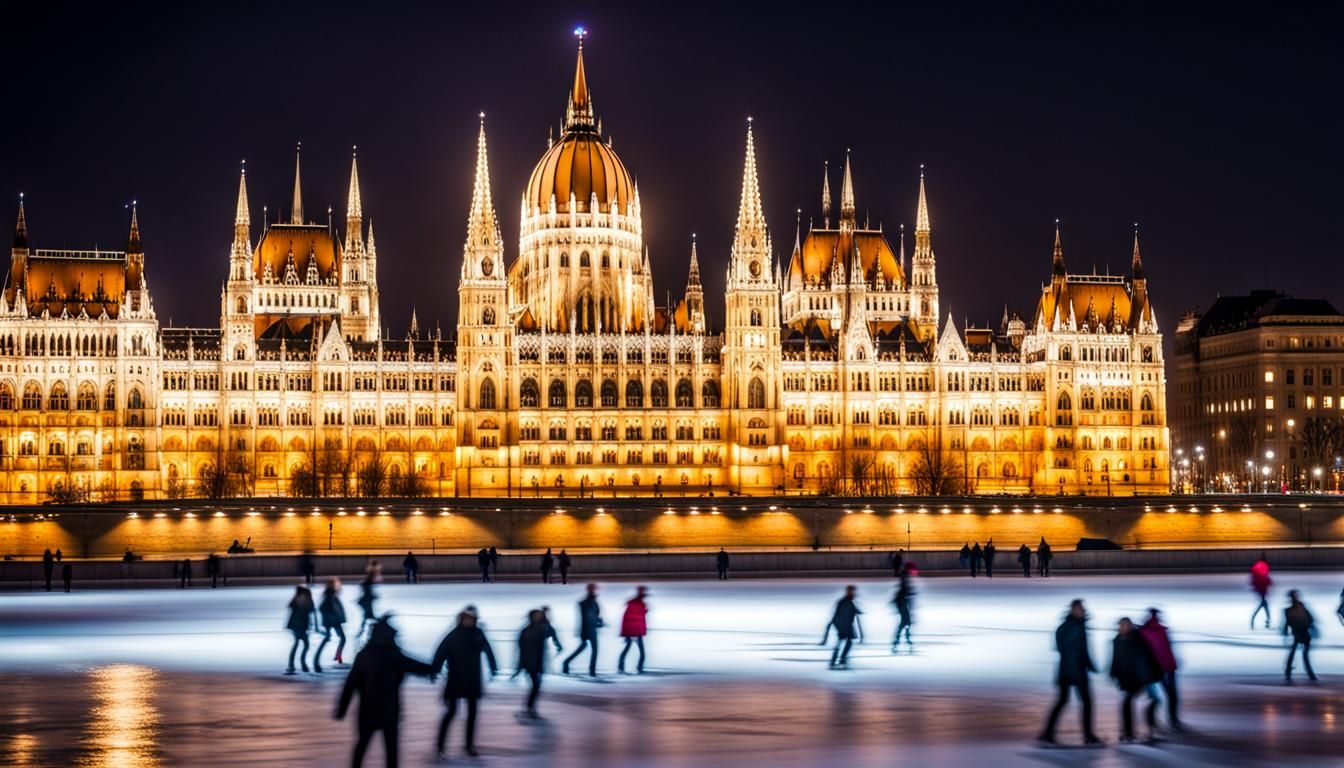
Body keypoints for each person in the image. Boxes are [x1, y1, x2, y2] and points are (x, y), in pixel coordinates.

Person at [335, 616, 436, 768]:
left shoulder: (364, 655)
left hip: (367, 711)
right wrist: (432, 669)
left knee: (363, 745)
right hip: (389, 711)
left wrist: (342, 708)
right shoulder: (393, 655)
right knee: (390, 750)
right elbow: (414, 666)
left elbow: (351, 684)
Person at [432, 610, 498, 758]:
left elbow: (488, 650)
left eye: (471, 619)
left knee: (472, 714)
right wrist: (434, 669)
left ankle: (469, 745)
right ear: (461, 620)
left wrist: (493, 666)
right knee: (451, 712)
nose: (469, 622)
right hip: (456, 679)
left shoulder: (477, 634)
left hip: (472, 679)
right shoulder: (453, 636)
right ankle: (440, 746)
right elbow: (441, 652)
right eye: (466, 619)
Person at [1039, 599, 1101, 746]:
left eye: (1082, 608)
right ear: (1073, 609)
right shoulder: (1074, 627)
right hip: (1074, 670)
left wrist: (1089, 664)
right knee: (1085, 702)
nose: (1082, 611)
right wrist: (1082, 665)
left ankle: (1048, 733)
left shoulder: (1070, 626)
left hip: (1068, 669)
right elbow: (1073, 650)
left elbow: (1074, 649)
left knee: (1063, 701)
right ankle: (1088, 735)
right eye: (1080, 608)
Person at [1109, 617, 1162, 742]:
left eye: (1125, 625)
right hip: (1129, 677)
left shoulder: (1138, 639)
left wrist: (1152, 674)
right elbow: (1116, 659)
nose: (1122, 628)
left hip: (1144, 676)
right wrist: (1114, 673)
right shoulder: (1117, 640)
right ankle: (1128, 732)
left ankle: (1150, 729)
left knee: (1153, 699)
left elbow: (1148, 657)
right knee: (1128, 701)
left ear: (1131, 626)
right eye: (1121, 626)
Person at [1138, 608, 1182, 730]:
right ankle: (1173, 719)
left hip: (1155, 667)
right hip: (1166, 666)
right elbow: (1167, 650)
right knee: (1171, 694)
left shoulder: (1143, 631)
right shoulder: (1161, 630)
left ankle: (1153, 722)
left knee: (1155, 697)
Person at [517, 608, 563, 718]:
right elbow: (522, 649)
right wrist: (521, 664)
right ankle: (529, 707)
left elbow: (550, 632)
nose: (539, 617)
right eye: (537, 616)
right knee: (536, 685)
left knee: (536, 685)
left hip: (536, 662)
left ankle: (529, 706)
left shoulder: (538, 628)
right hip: (531, 663)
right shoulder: (528, 631)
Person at [563, 583, 603, 676]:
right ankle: (591, 671)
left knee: (586, 648)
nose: (595, 590)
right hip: (589, 629)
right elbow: (589, 616)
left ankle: (567, 663)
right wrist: (597, 621)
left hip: (589, 629)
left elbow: (593, 615)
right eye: (594, 589)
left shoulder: (591, 602)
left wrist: (598, 621)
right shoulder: (587, 602)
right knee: (593, 650)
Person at [822, 585, 863, 668]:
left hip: (844, 625)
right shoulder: (845, 601)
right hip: (844, 625)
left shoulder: (848, 601)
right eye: (852, 591)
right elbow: (839, 613)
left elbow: (853, 610)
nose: (854, 593)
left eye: (853, 591)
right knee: (843, 642)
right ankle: (839, 660)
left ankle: (838, 660)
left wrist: (858, 611)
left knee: (844, 642)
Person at [1283, 589, 1318, 683]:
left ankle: (1289, 672)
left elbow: (1290, 622)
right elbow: (1310, 619)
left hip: (1301, 633)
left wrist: (1287, 629)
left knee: (1296, 653)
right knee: (1301, 654)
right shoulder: (1294, 610)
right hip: (1302, 633)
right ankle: (1310, 674)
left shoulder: (1289, 610)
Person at [316, 578, 349, 673]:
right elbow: (323, 608)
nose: (339, 585)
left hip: (333, 620)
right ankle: (337, 657)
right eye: (337, 583)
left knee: (339, 638)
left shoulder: (331, 593)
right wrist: (333, 617)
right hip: (333, 621)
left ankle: (338, 657)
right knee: (340, 638)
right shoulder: (330, 594)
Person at [286, 584, 318, 674]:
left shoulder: (297, 599)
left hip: (296, 626)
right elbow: (308, 613)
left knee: (298, 644)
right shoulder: (304, 600)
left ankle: (293, 664)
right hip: (300, 627)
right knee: (305, 644)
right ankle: (301, 663)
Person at [618, 586, 649, 674]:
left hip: (632, 632)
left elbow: (630, 617)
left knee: (628, 650)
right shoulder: (638, 603)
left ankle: (621, 667)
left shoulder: (636, 603)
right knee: (641, 652)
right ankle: (638, 668)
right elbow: (636, 617)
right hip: (635, 632)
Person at [892, 565, 915, 649]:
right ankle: (901, 638)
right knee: (905, 622)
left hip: (902, 605)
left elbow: (904, 591)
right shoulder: (904, 581)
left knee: (906, 622)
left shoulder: (904, 580)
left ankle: (902, 638)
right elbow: (903, 592)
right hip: (902, 605)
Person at [357, 563, 380, 641]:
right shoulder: (369, 581)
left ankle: (362, 632)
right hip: (366, 602)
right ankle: (374, 633)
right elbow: (366, 589)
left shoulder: (369, 582)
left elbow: (366, 588)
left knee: (367, 617)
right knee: (369, 616)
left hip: (366, 602)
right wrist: (373, 596)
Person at [1250, 554, 1272, 629]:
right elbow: (1264, 577)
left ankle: (1255, 621)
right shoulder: (1263, 567)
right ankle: (1266, 621)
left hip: (1260, 589)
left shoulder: (1256, 567)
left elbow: (1255, 579)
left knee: (1263, 605)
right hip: (1262, 589)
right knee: (1263, 606)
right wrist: (1268, 582)